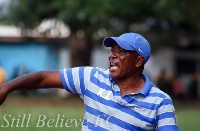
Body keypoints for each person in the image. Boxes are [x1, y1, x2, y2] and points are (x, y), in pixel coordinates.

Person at [0, 33, 179, 130]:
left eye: (121, 52)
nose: (112, 56)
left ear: (139, 61)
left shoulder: (160, 102)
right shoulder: (92, 78)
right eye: (112, 50)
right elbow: (43, 78)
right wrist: (6, 88)